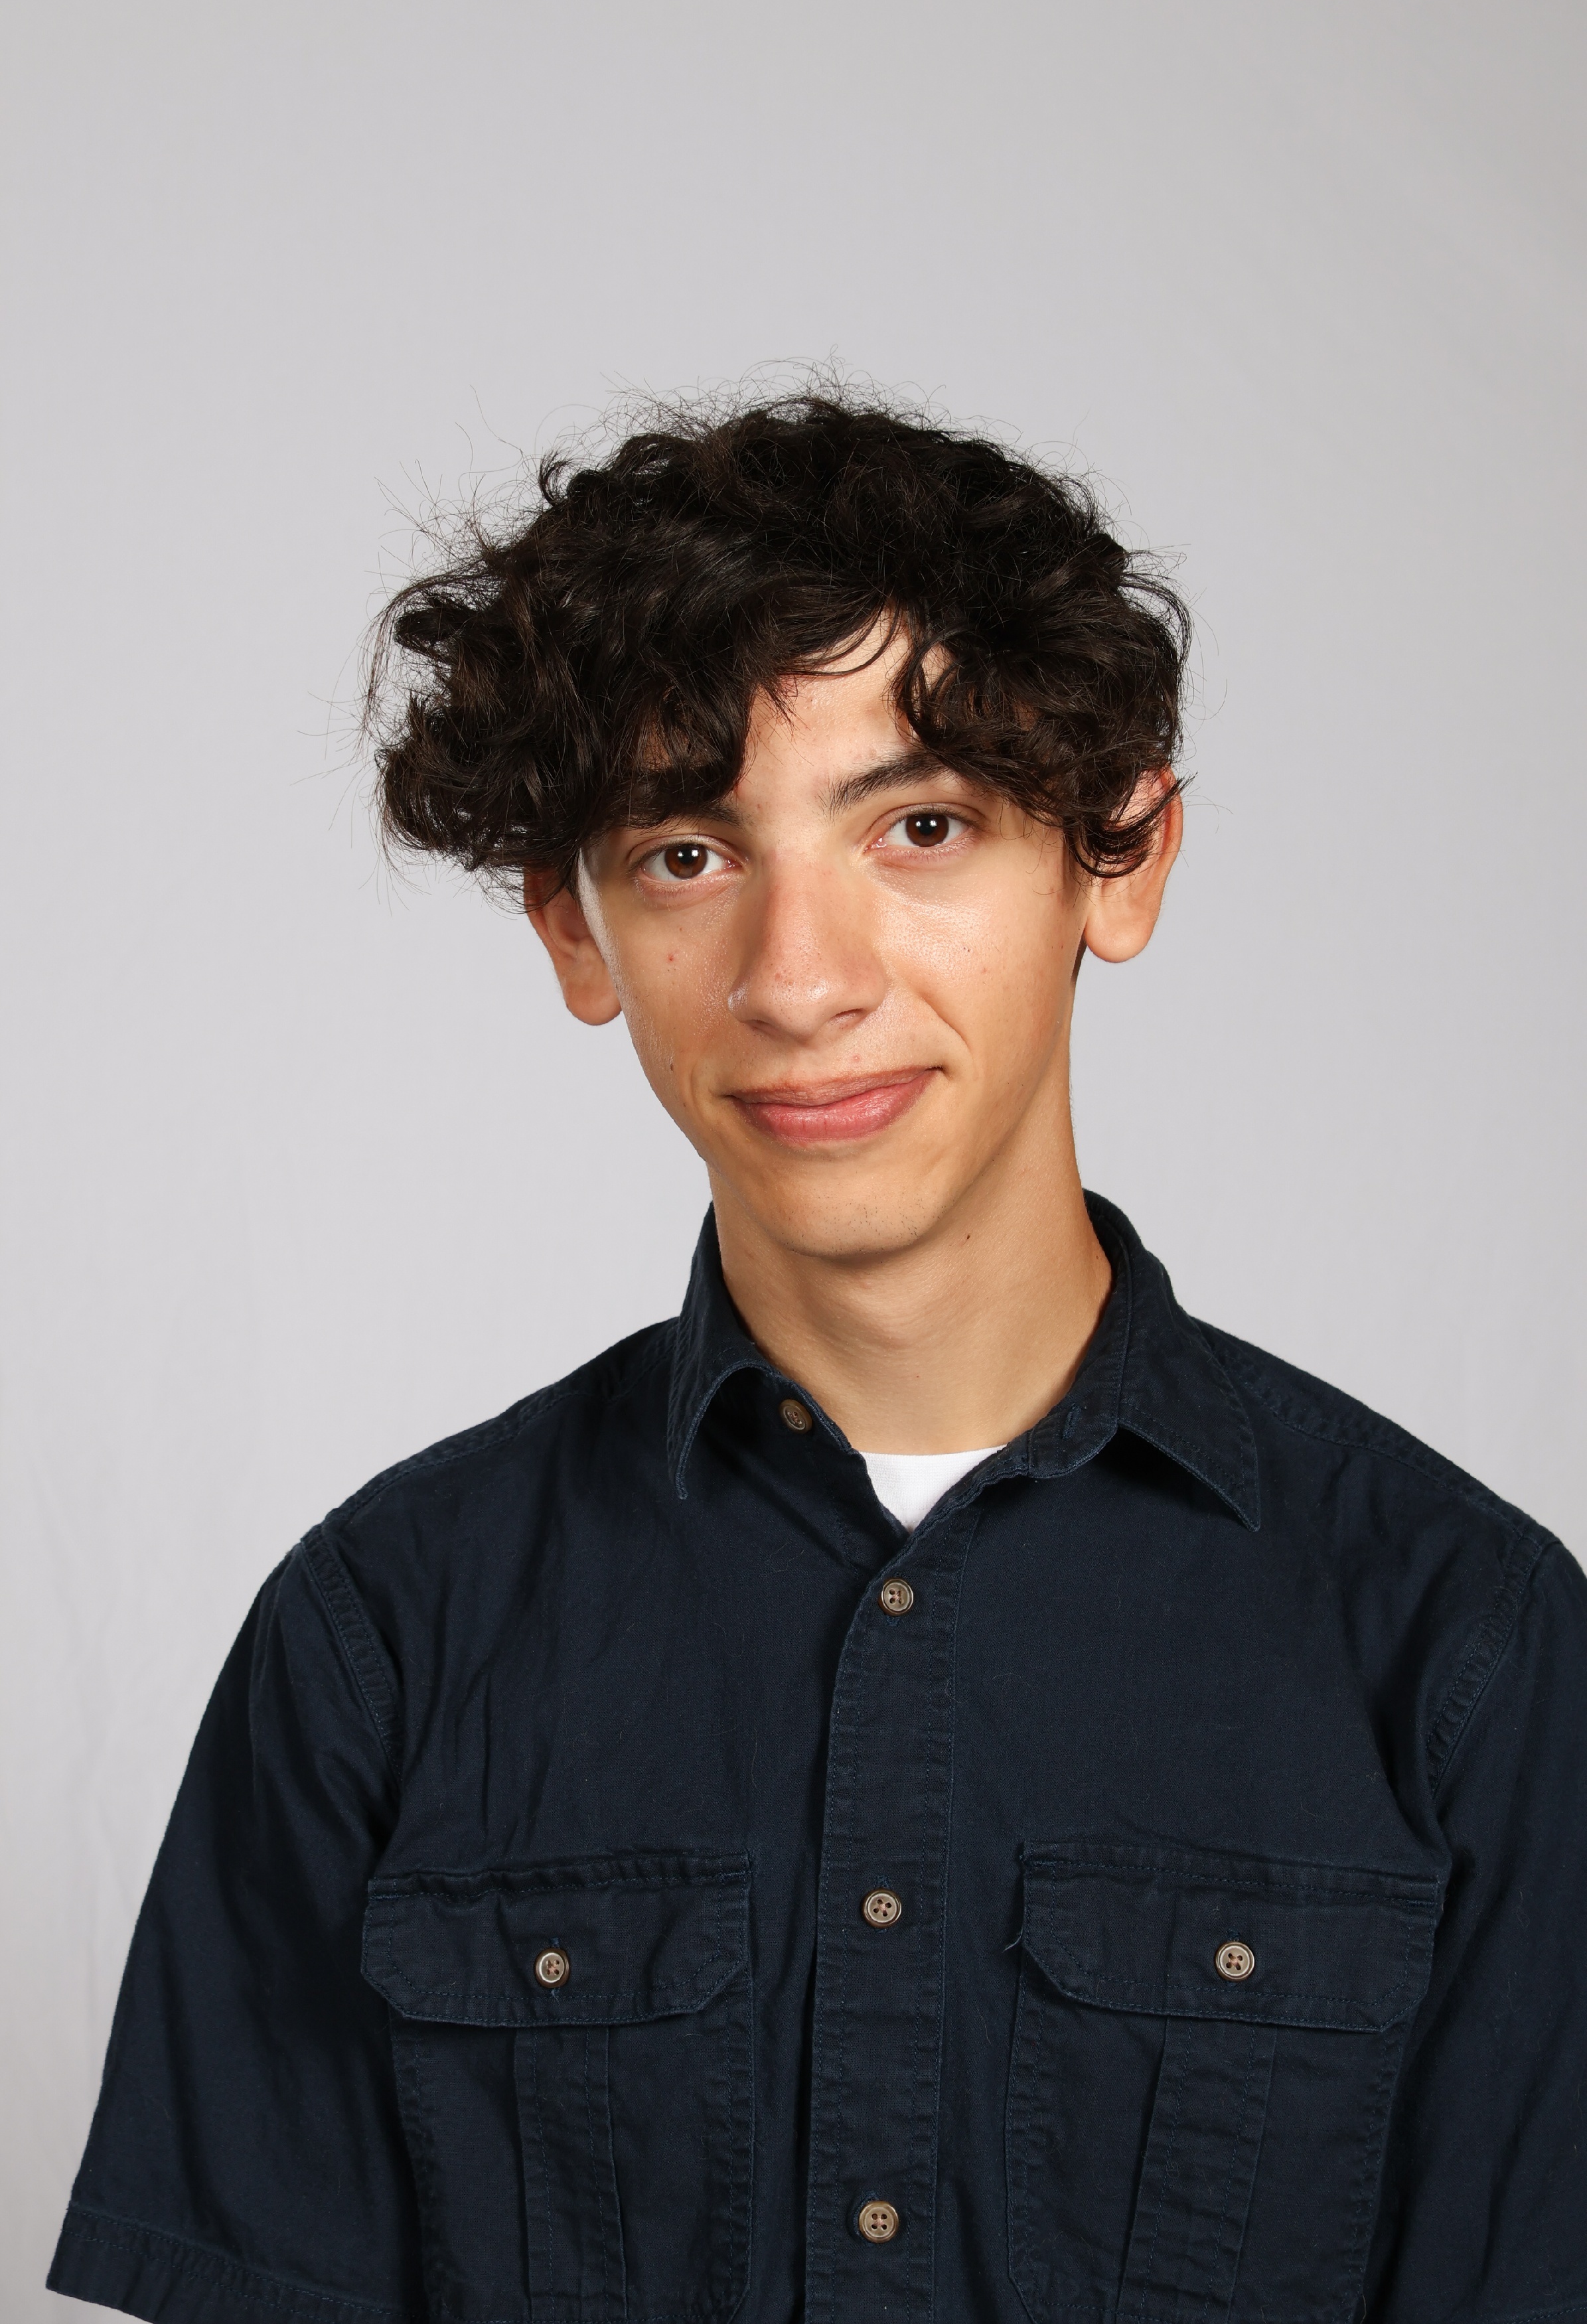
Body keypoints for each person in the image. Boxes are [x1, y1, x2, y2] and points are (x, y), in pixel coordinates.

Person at [50, 391, 1586, 2324]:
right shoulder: (381, 1640)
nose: (798, 977)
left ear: (1121, 859)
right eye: (688, 854)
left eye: (919, 828)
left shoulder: (1467, 1651)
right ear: (574, 931)